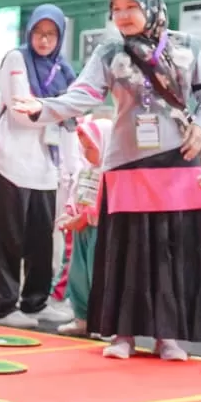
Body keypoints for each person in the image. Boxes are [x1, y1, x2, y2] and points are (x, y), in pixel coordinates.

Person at [13, 0, 201, 361]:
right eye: (116, 8)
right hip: (126, 162)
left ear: (151, 5)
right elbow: (83, 94)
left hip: (179, 160)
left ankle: (167, 335)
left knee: (169, 248)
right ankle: (122, 335)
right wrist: (44, 106)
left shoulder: (187, 46)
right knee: (126, 249)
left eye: (130, 6)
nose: (123, 15)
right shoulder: (109, 52)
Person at [0, 4, 76, 328]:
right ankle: (5, 307)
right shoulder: (16, 58)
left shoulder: (64, 70)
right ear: (30, 32)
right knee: (7, 236)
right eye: (39, 32)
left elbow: (73, 117)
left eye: (51, 34)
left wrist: (51, 110)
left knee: (41, 240)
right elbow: (21, 114)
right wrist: (58, 110)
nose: (44, 40)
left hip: (45, 169)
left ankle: (35, 302)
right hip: (9, 162)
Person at [56, 117, 111, 337]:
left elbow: (103, 205)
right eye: (84, 148)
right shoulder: (85, 169)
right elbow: (75, 194)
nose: (86, 153)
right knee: (77, 274)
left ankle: (103, 321)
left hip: (99, 231)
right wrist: (69, 213)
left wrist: (82, 218)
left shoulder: (110, 172)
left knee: (98, 274)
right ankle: (82, 317)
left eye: (91, 147)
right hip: (81, 231)